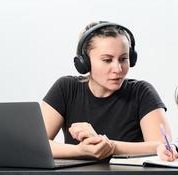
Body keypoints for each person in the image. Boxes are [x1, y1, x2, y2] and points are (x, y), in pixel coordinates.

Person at [41, 21, 171, 160]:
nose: (118, 69)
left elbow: (165, 147)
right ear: (84, 62)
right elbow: (36, 145)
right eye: (107, 60)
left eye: (123, 59)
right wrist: (80, 150)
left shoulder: (142, 92)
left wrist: (109, 146)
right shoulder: (66, 88)